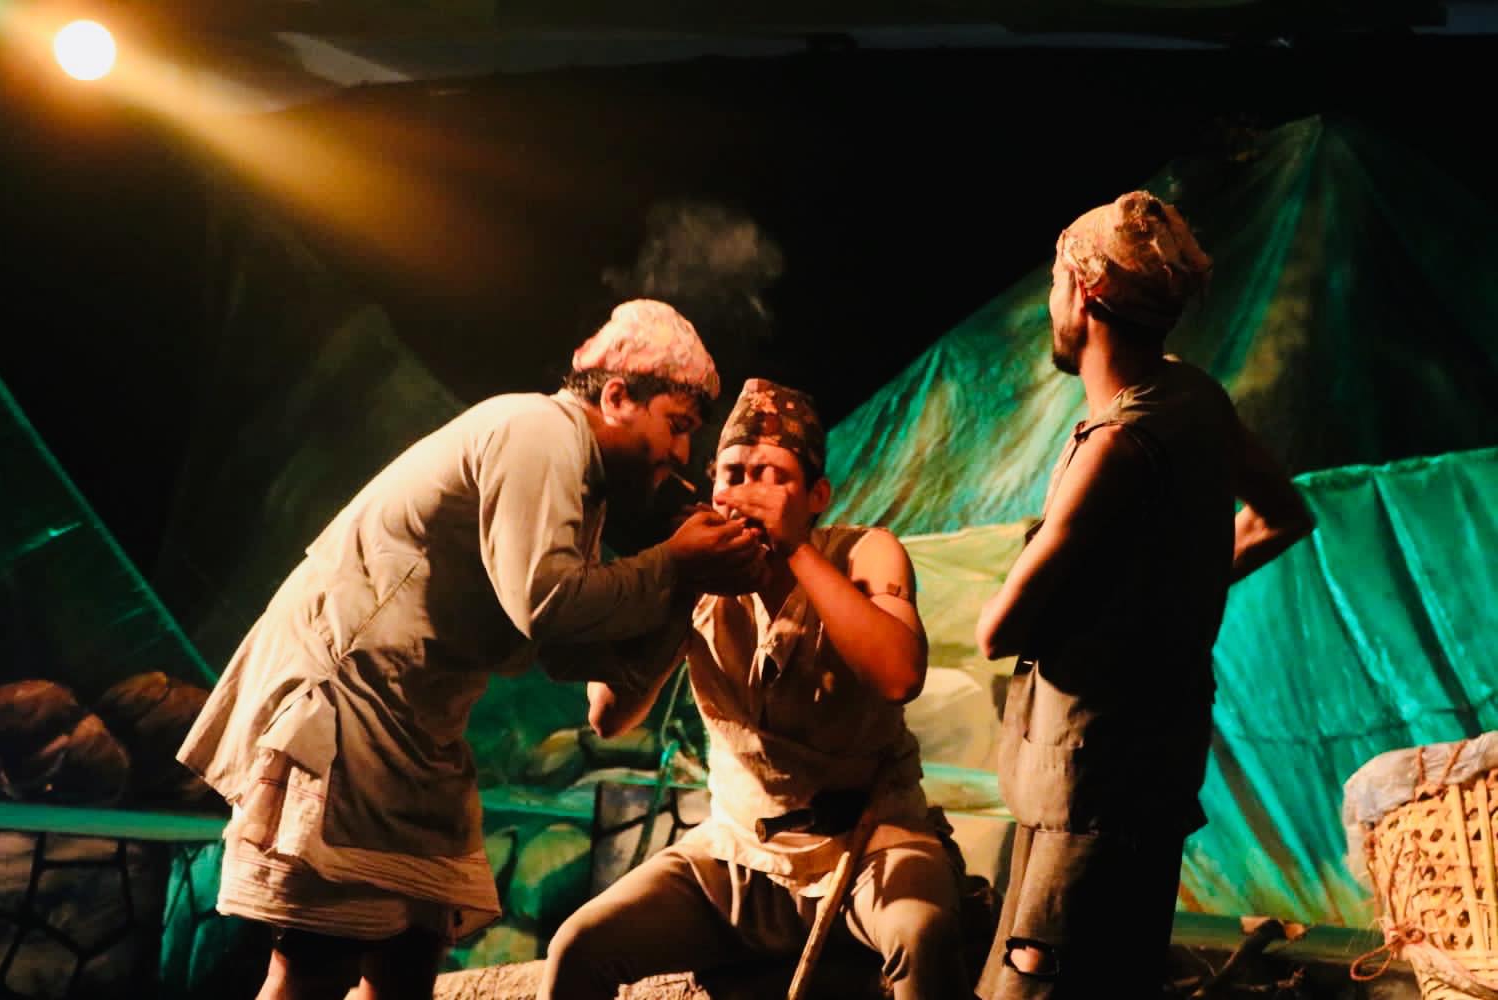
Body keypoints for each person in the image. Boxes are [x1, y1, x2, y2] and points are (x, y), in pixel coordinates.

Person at [178, 299, 763, 1000]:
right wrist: (673, 563)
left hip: (412, 729)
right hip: (349, 710)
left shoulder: (582, 485)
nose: (682, 456)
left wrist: (686, 588)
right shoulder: (539, 432)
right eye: (677, 425)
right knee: (317, 962)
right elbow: (547, 603)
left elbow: (580, 667)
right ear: (616, 397)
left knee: (407, 960)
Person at [973, 192, 1317, 999]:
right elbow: (1283, 515)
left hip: (1085, 786)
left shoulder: (1117, 447)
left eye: (1054, 284)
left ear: (1086, 294)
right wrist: (1172, 589)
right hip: (1158, 769)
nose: (1051, 303)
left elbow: (998, 630)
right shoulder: (1196, 399)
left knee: (1035, 985)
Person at [542, 378, 970, 1000]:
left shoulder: (863, 553)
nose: (749, 492)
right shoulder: (693, 572)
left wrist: (793, 549)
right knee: (579, 947)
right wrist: (680, 583)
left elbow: (899, 674)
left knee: (921, 932)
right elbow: (609, 716)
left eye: (773, 476)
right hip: (739, 852)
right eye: (735, 474)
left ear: (816, 495)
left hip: (868, 844)